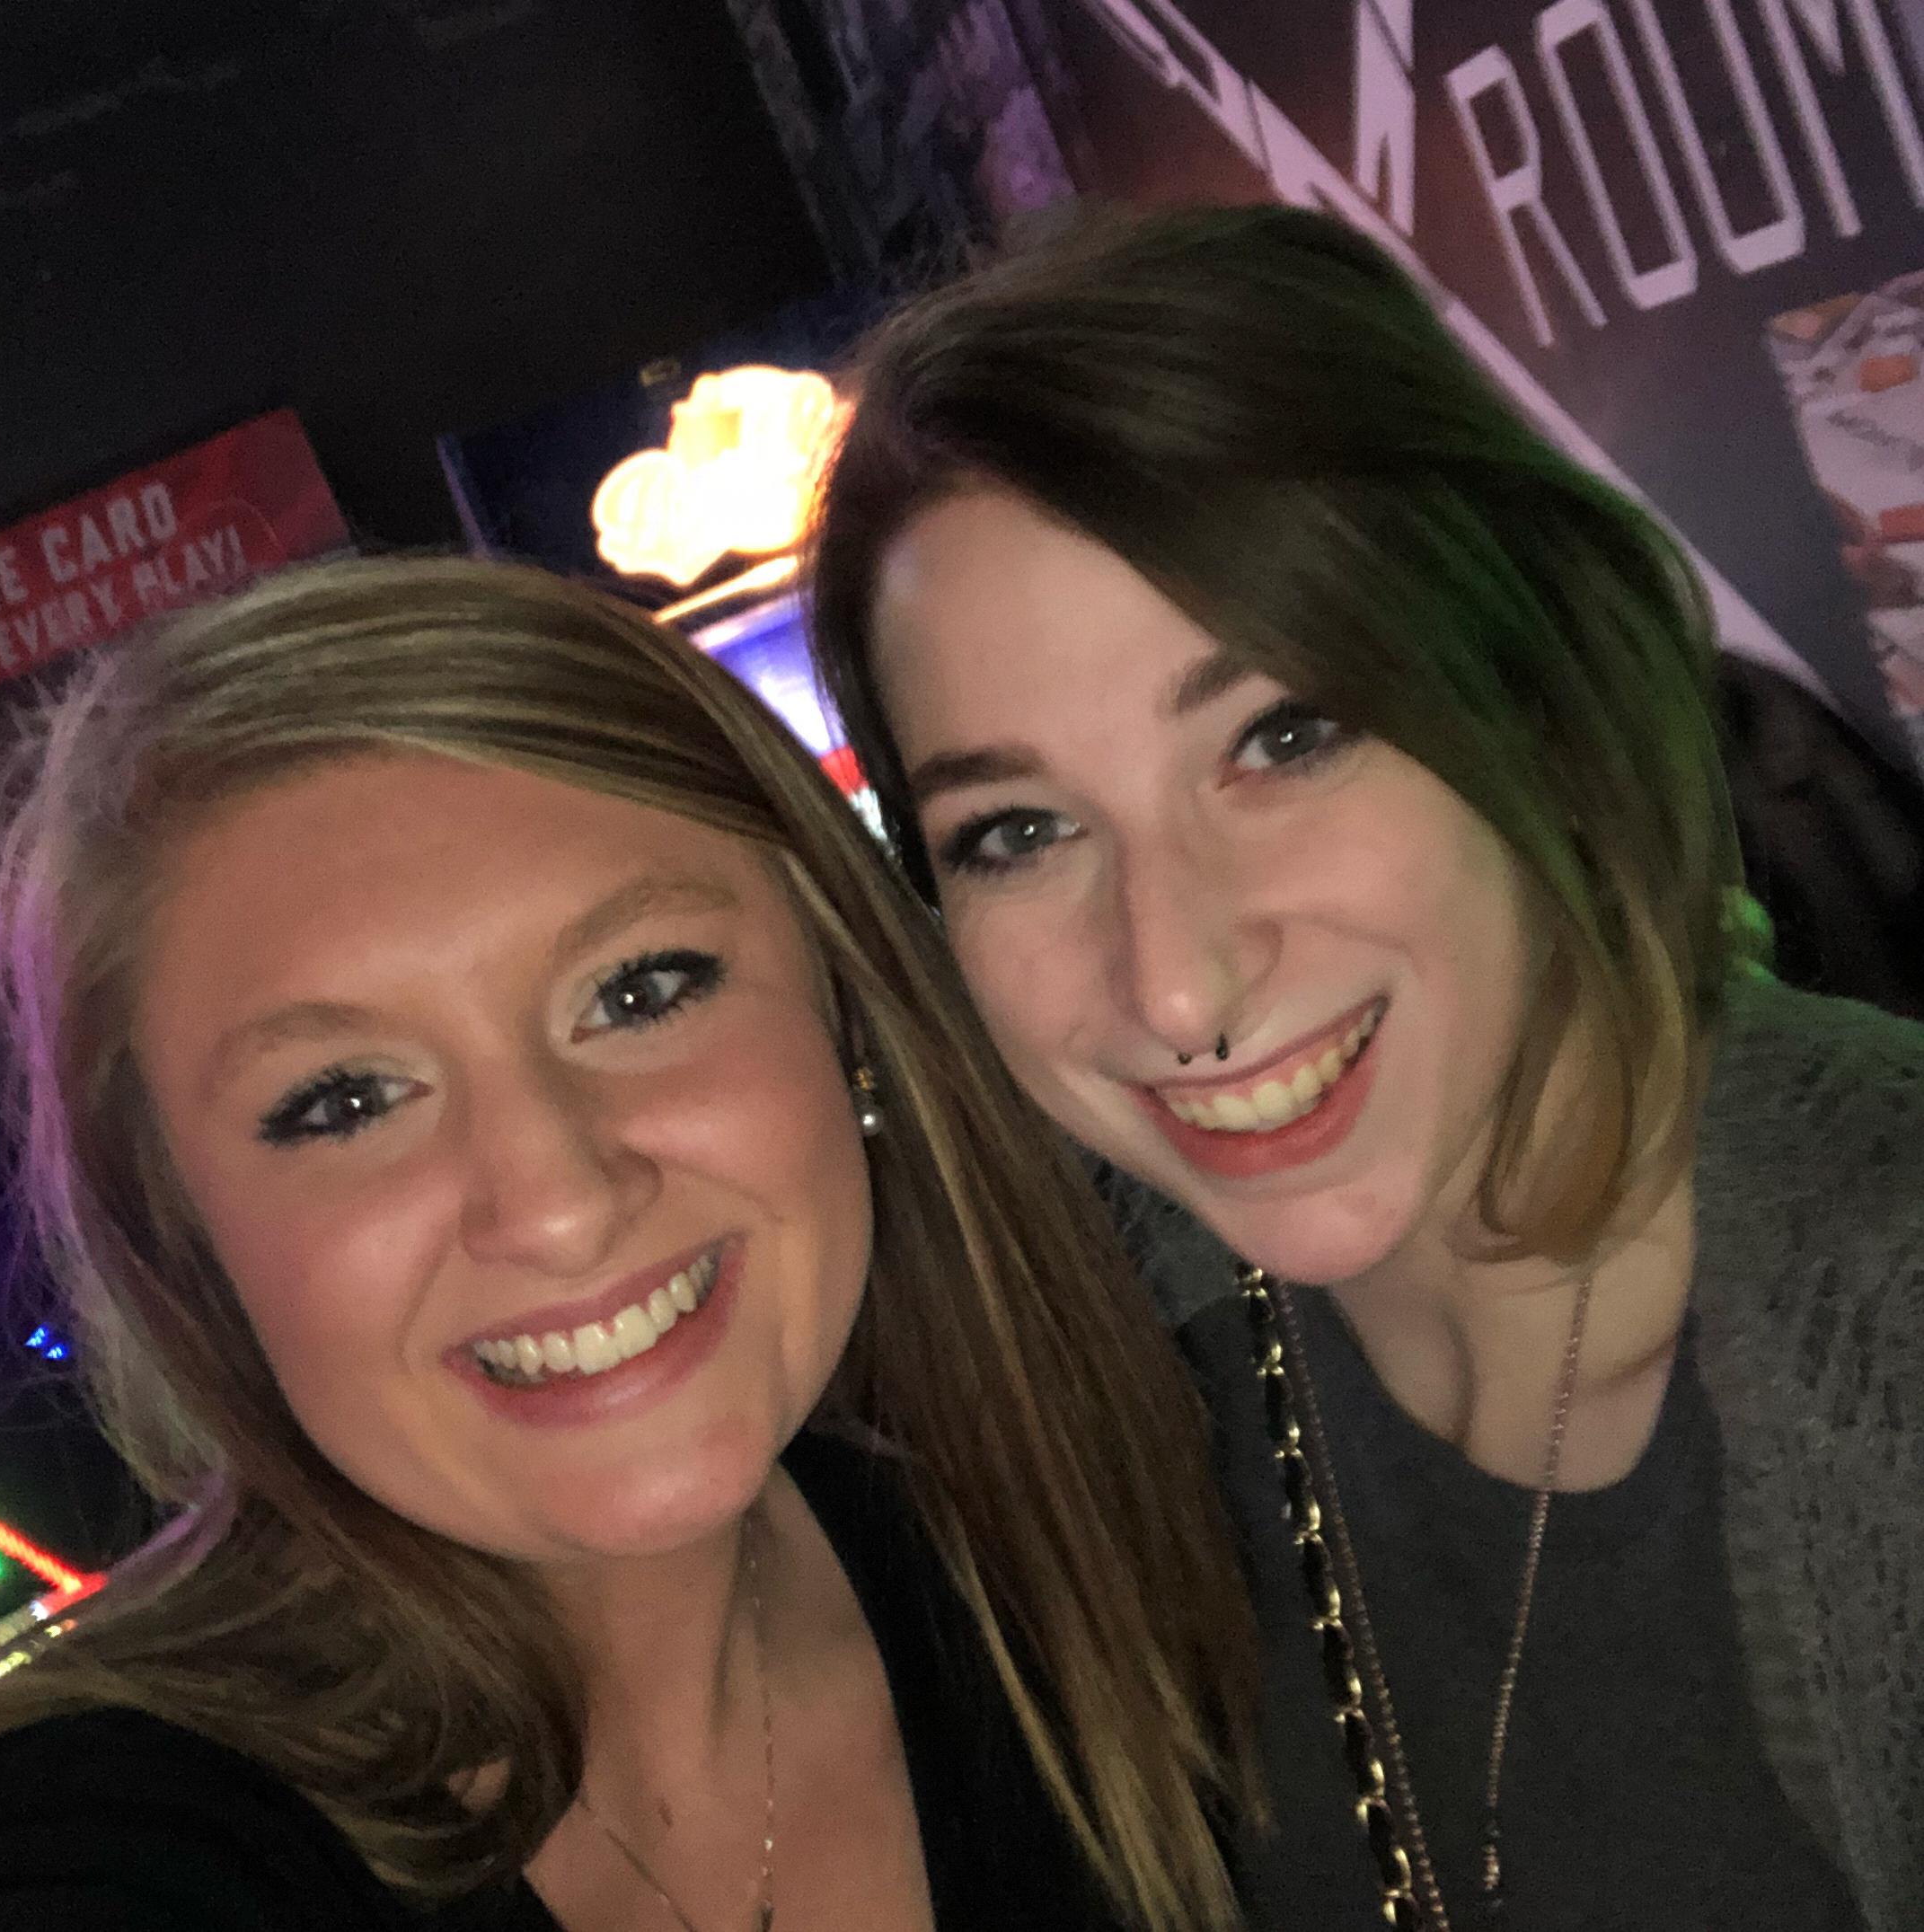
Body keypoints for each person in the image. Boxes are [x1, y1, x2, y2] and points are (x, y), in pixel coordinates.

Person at [808, 203, 1924, 1932]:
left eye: (1285, 736)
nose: (1175, 982)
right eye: (1018, 830)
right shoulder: (1077, 1323)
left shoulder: (1887, 1320)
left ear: (1536, 691)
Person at [0, 555, 1261, 1932]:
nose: (560, 1202)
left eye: (642, 991)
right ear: (181, 1243)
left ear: (845, 1007)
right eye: (345, 1101)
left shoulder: (1098, 1551)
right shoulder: (107, 1842)